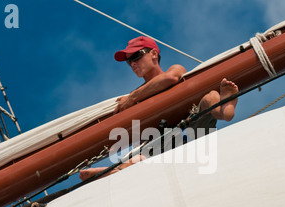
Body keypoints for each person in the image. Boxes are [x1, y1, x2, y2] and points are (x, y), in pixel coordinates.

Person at [79, 36, 238, 181]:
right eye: (129, 62)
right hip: (160, 145)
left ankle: (226, 109)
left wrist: (133, 97)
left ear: (153, 54)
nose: (133, 63)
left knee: (210, 97)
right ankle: (114, 170)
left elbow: (170, 78)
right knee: (141, 155)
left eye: (136, 56)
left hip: (193, 132)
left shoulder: (173, 71)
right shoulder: (134, 98)